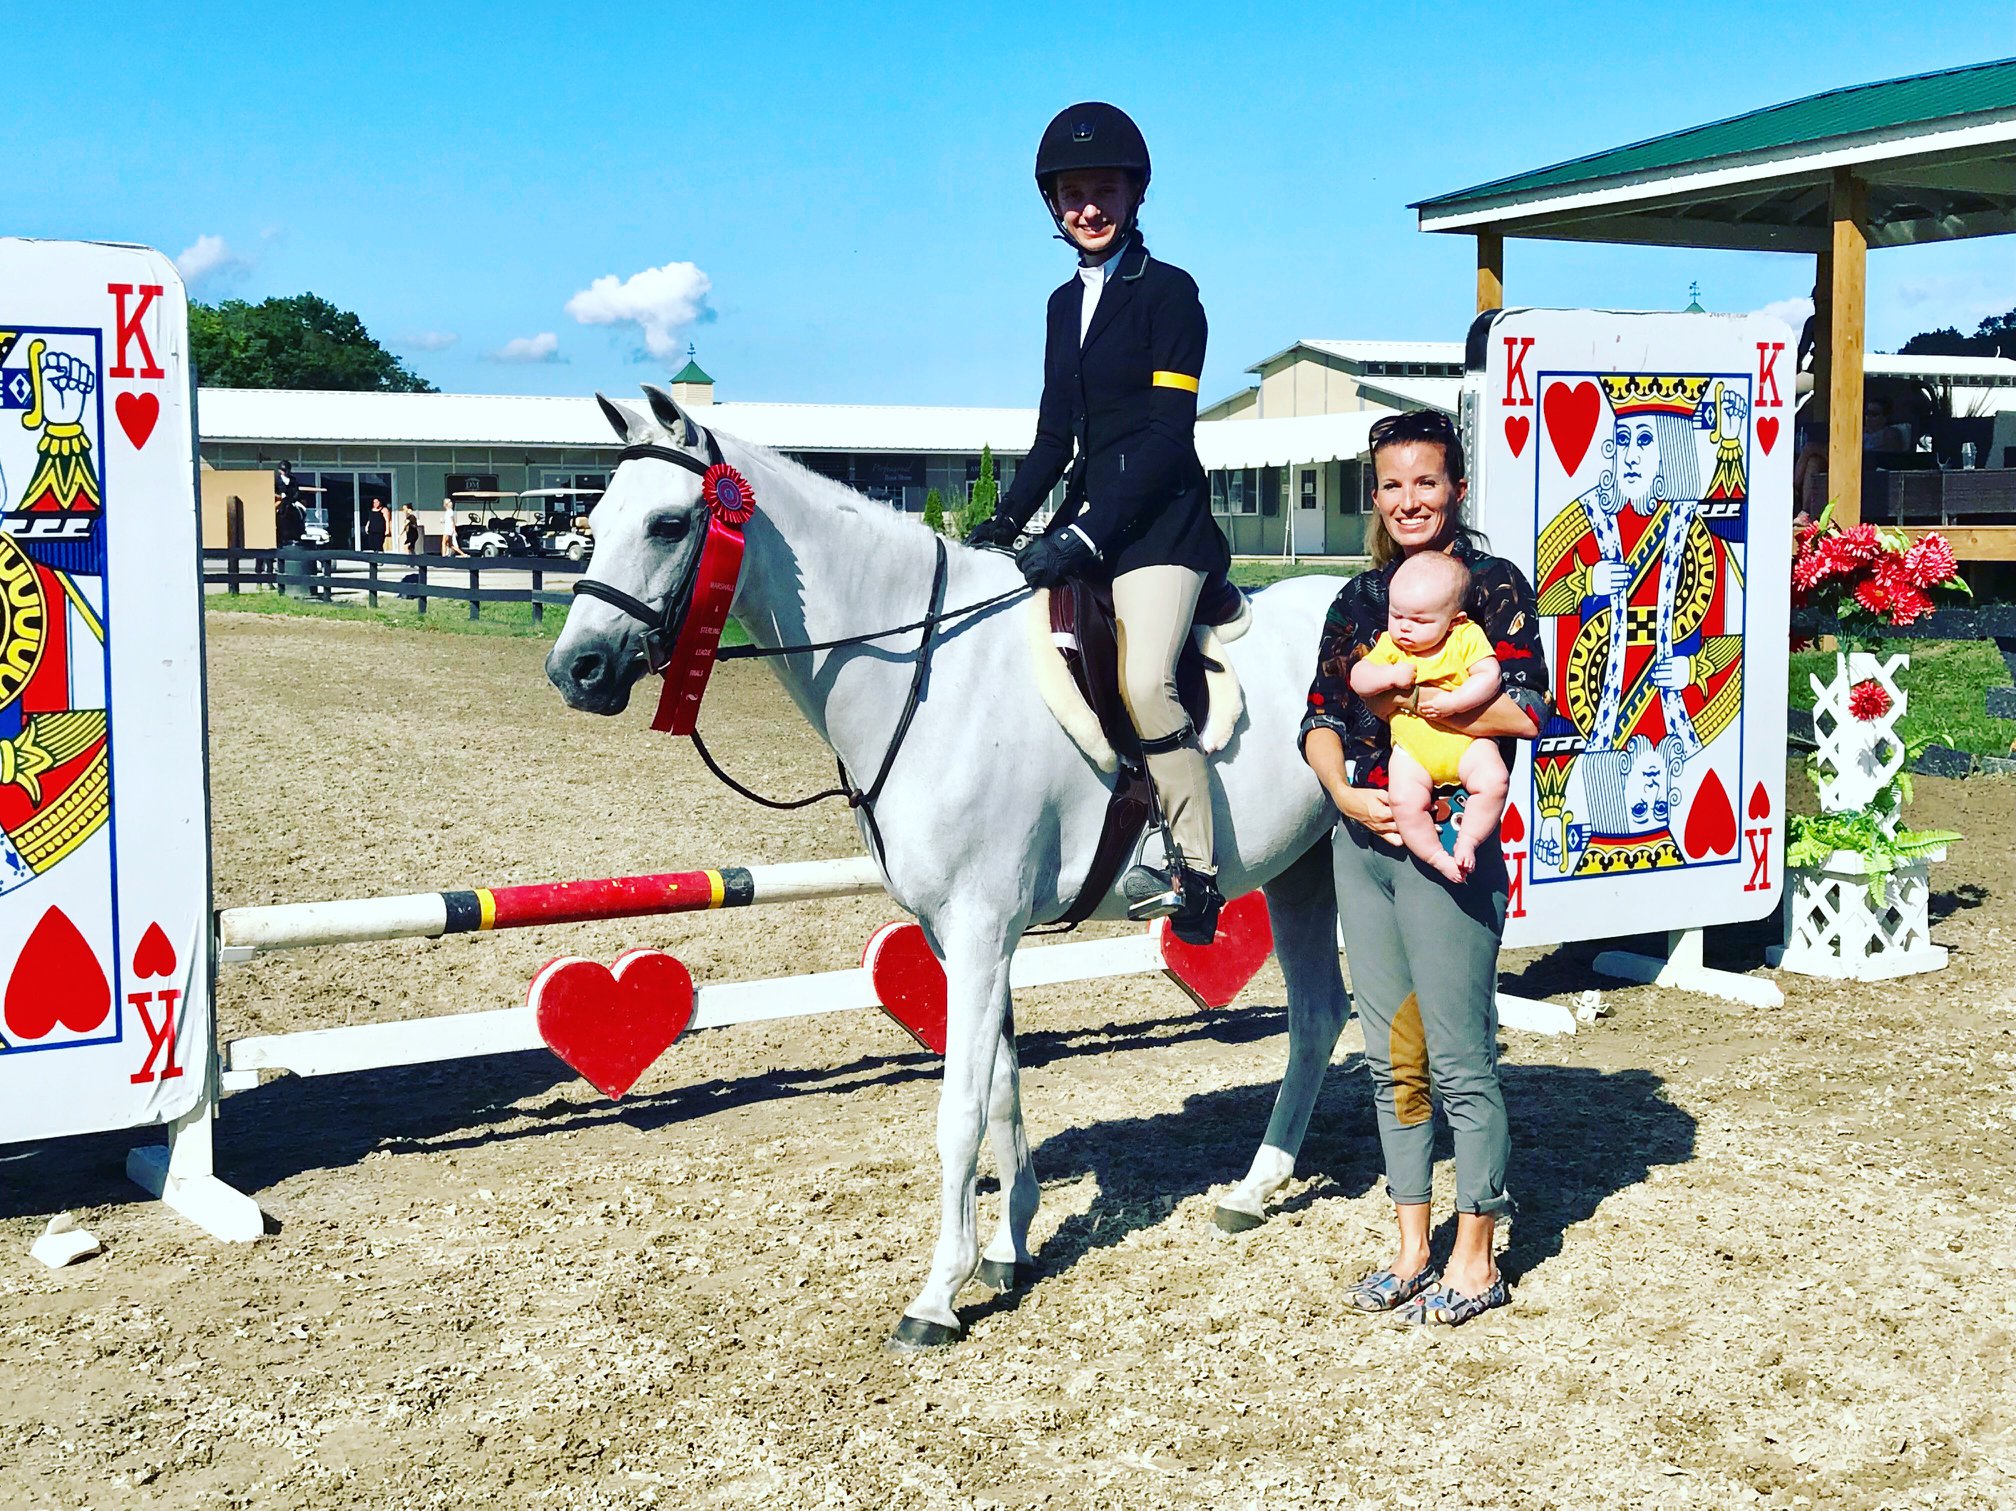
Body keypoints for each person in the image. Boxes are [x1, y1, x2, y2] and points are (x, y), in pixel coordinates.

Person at [1301, 409, 1549, 1326]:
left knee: (1459, 1057)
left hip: (1448, 844)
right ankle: (1411, 1246)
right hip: (1362, 842)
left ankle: (1476, 1253)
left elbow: (1530, 711)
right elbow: (1320, 715)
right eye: (1393, 484)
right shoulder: (1357, 600)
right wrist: (1342, 790)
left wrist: (1420, 699)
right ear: (1376, 495)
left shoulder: (1492, 588)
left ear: (1457, 489)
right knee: (1389, 1056)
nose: (1410, 500)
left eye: (1427, 481)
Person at [967, 101, 1233, 944]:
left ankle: (1195, 867)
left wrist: (1081, 536)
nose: (1090, 207)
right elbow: (1055, 435)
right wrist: (1000, 522)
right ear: (1054, 204)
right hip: (1090, 517)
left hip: (1160, 528)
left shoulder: (1170, 293)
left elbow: (1164, 440)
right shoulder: (1059, 304)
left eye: (1104, 191)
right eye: (1074, 193)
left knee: (1143, 677)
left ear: (1135, 193)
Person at [1347, 552, 1506, 883]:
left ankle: (1468, 840)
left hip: (1467, 744)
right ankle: (1437, 857)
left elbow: (1489, 676)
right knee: (1404, 802)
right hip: (1412, 751)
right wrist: (1389, 676)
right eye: (1397, 614)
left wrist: (1456, 701)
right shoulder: (1392, 647)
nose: (1405, 626)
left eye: (1419, 621)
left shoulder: (1465, 636)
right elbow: (1359, 678)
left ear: (1454, 619)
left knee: (1494, 781)